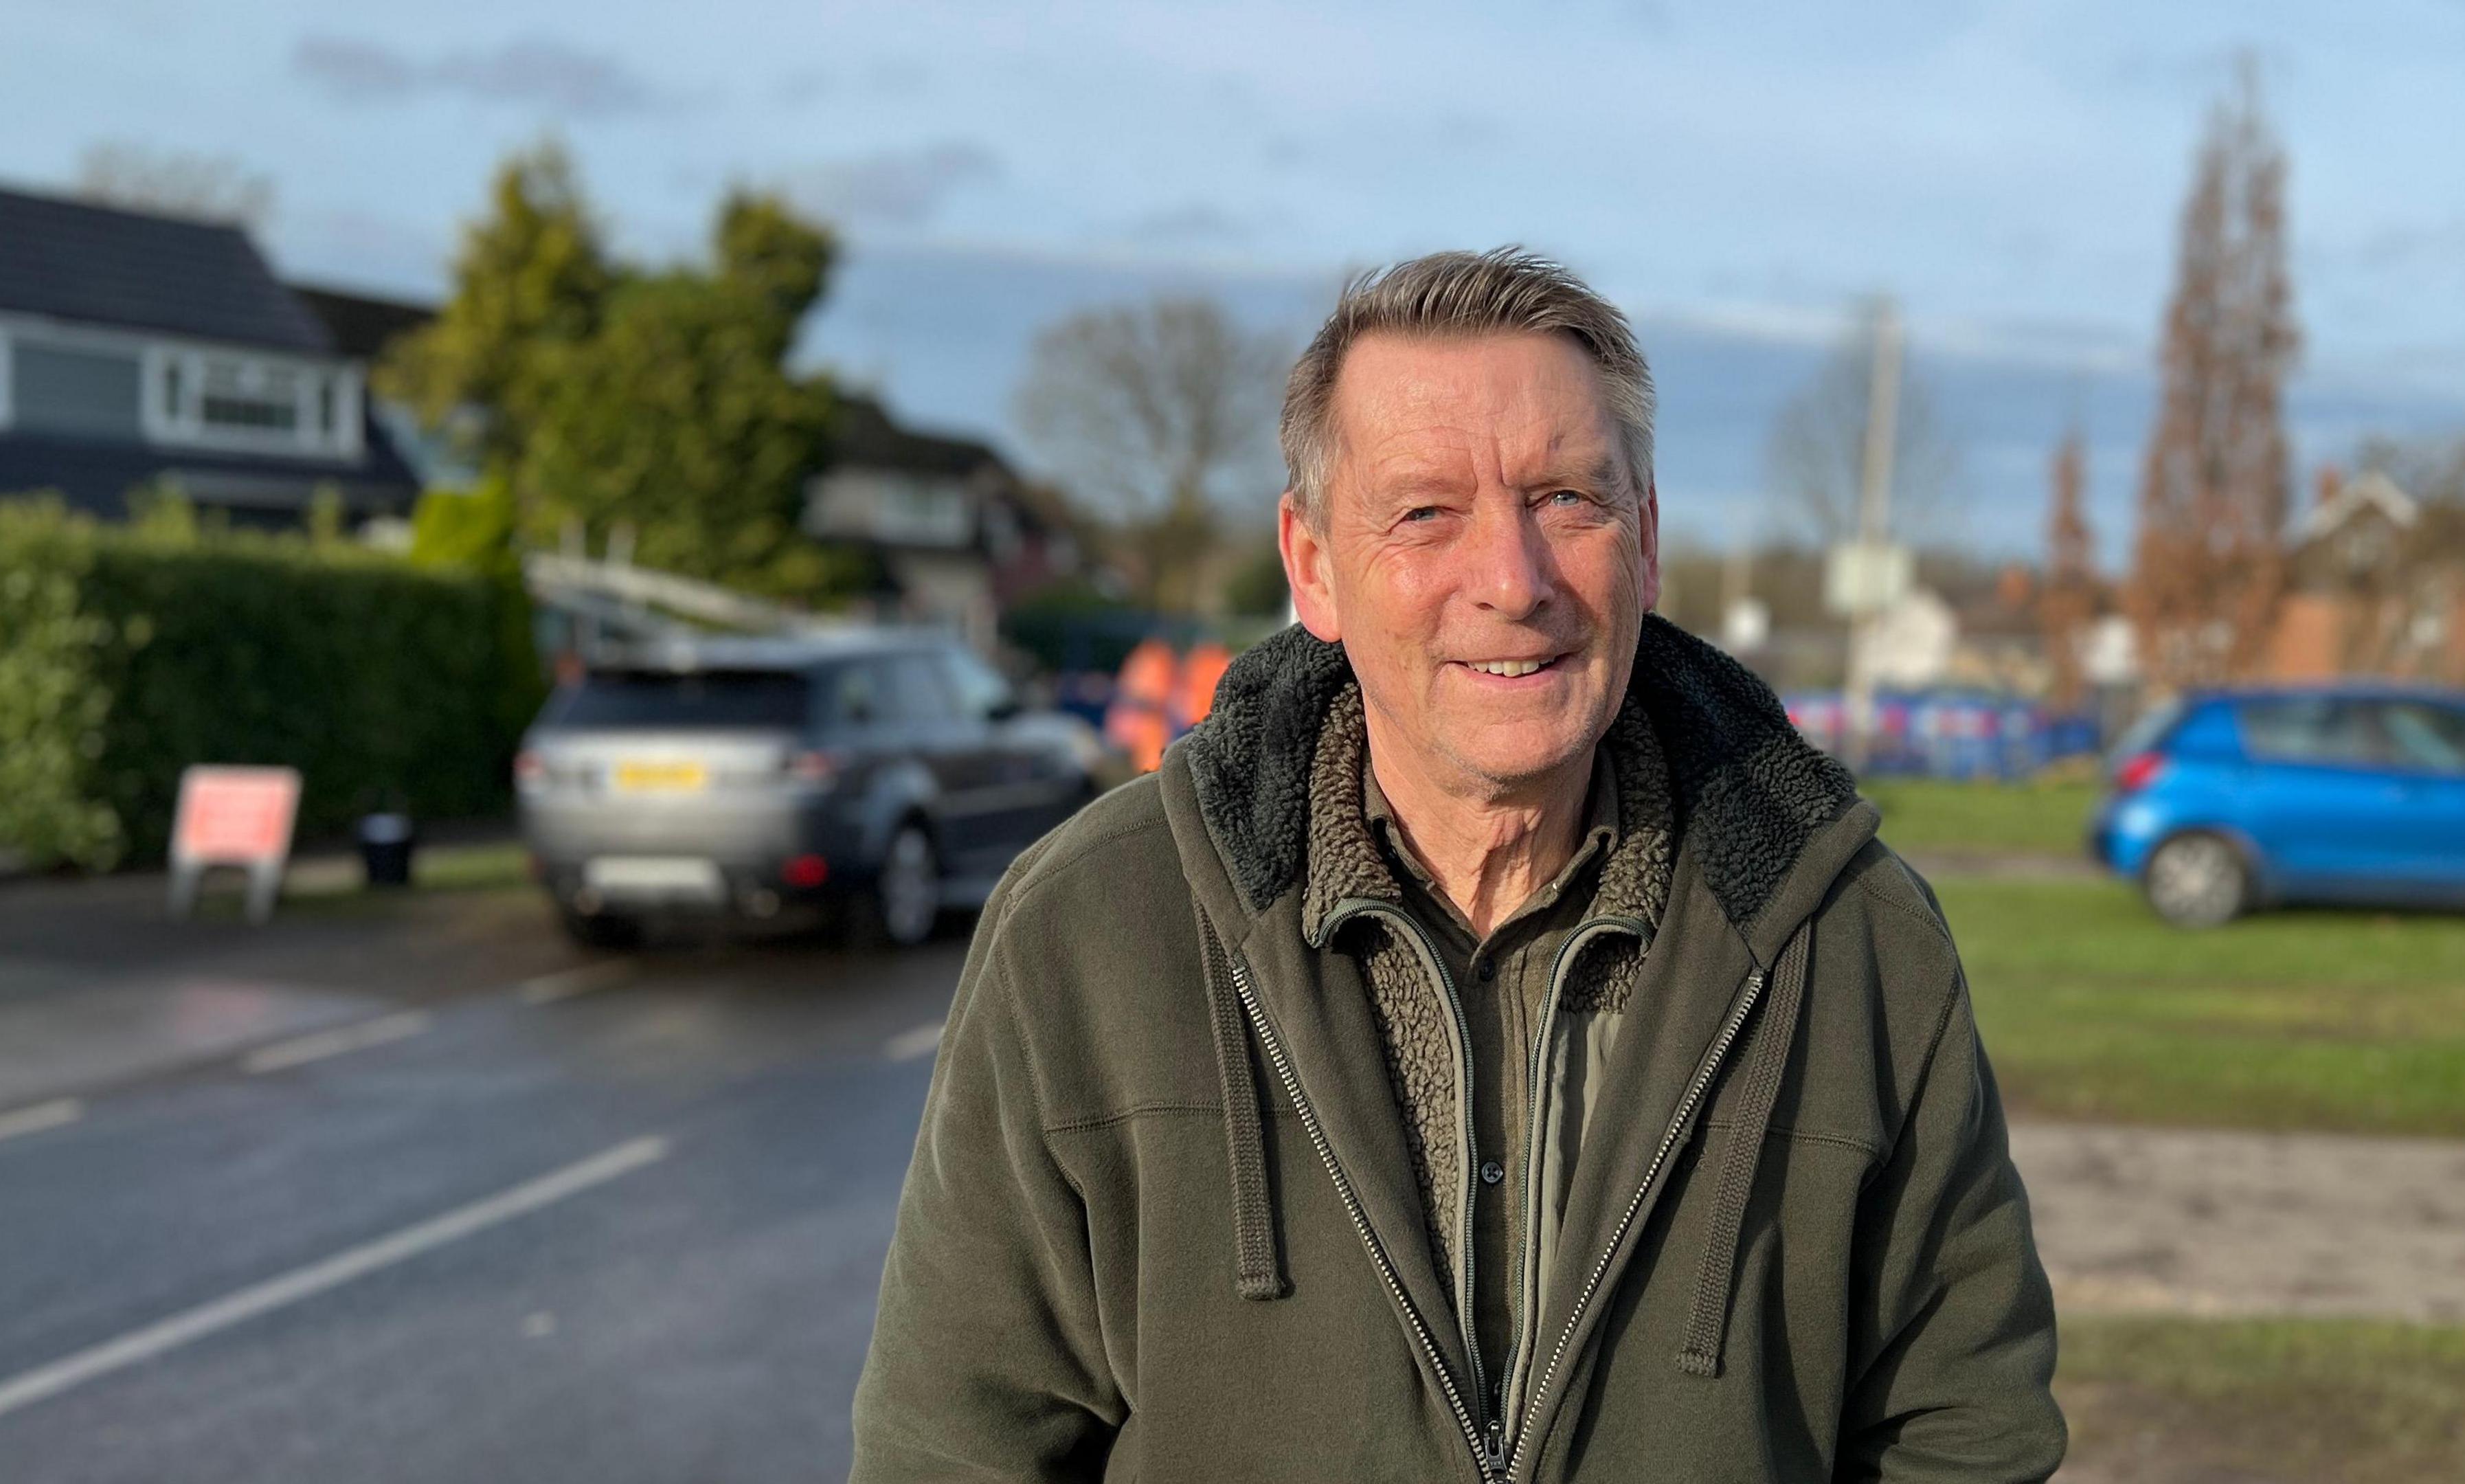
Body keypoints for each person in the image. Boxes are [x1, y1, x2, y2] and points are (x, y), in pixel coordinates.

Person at [851, 249, 2065, 1483]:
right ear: (1313, 564)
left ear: (1643, 547)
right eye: (1426, 511)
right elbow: (954, 1447)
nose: (1512, 582)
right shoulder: (1092, 930)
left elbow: (1963, 1433)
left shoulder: (1853, 941)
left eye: (1567, 502)